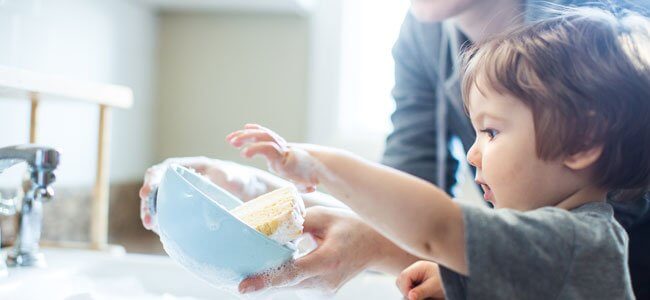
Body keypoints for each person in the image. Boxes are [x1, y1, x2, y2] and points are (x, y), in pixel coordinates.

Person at [140, 0, 650, 297]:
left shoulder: (581, 243)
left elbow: (430, 224)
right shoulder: (564, 241)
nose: (474, 157)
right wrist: (258, 189)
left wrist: (321, 165)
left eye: (491, 133)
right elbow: (404, 204)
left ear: (584, 140)